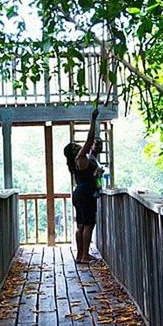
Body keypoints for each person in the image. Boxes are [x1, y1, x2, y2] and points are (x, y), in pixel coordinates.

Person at [63, 108, 100, 264]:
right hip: (85, 193)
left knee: (80, 224)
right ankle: (85, 255)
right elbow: (90, 139)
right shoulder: (79, 157)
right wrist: (93, 119)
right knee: (89, 225)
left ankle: (80, 255)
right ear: (74, 151)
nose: (79, 146)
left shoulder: (75, 163)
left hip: (78, 192)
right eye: (75, 146)